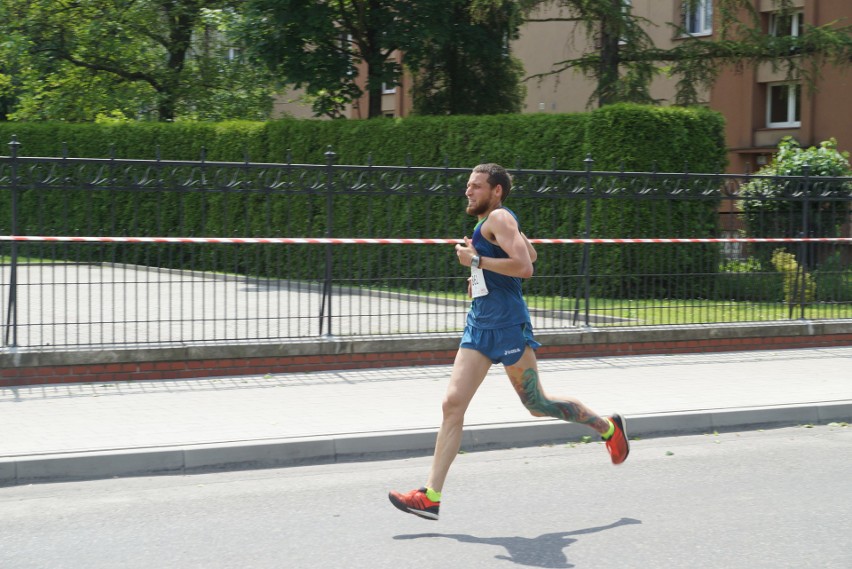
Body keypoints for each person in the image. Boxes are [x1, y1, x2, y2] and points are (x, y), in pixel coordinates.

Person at [388, 163, 629, 521]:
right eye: (468, 186)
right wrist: (479, 270)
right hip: (479, 326)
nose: (468, 191)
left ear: (496, 190)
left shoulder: (499, 217)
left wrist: (478, 259)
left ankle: (608, 428)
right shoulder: (491, 223)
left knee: (537, 403)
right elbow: (529, 254)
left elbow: (526, 268)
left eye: (476, 186)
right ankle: (431, 495)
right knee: (452, 404)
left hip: (508, 327)